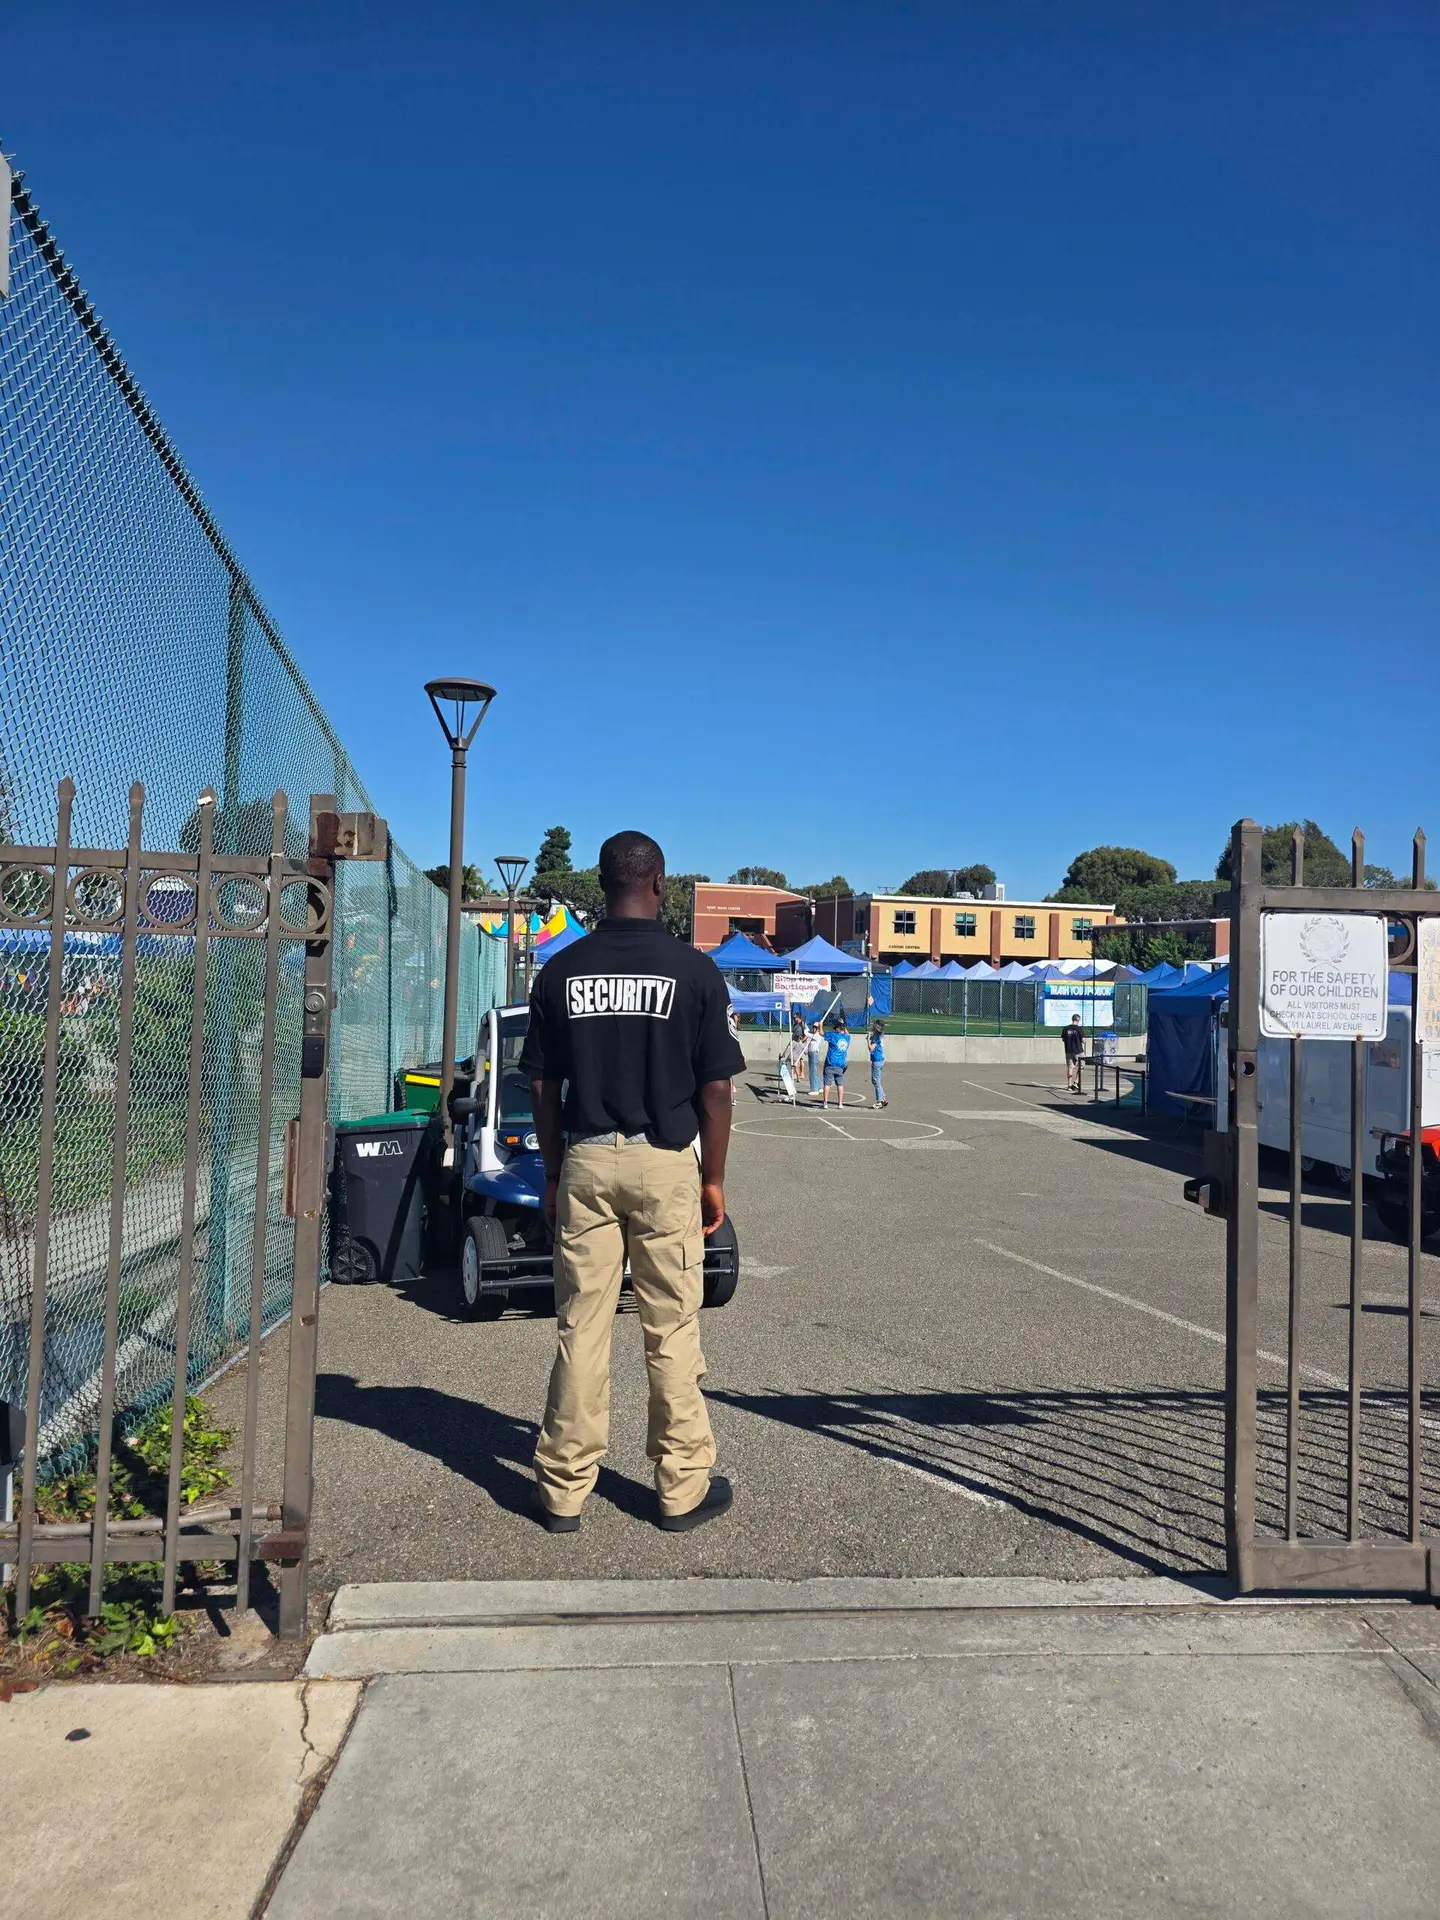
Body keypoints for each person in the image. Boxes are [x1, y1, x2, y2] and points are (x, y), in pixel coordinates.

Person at [521, 829, 744, 1534]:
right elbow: (717, 1089)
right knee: (670, 1326)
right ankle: (680, 1489)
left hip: (586, 1157)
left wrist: (552, 1171)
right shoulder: (694, 972)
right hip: (664, 1160)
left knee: (580, 1325)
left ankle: (562, 1492)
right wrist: (714, 1178)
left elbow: (541, 1085)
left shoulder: (561, 971)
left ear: (601, 884)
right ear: (660, 883)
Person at [821, 1017, 851, 1109]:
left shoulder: (833, 1036)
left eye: (836, 1028)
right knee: (840, 1084)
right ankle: (840, 1103)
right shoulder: (847, 1038)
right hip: (840, 1065)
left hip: (831, 1063)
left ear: (838, 1028)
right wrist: (843, 1025)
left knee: (827, 1084)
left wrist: (820, 1025)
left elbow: (821, 1033)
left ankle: (825, 1103)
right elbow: (848, 1034)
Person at [1062, 1012, 1086, 1094]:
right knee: (1082, 1065)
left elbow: (1063, 1039)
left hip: (1068, 1050)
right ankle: (1076, 1082)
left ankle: (1069, 1085)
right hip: (1078, 1051)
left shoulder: (1065, 1028)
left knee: (1070, 1067)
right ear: (1078, 1020)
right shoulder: (1079, 1029)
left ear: (1072, 1019)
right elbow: (1083, 1040)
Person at [869, 1021, 887, 1109]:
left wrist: (867, 1040)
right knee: (875, 1080)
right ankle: (883, 1098)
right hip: (880, 1060)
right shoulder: (879, 1035)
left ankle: (879, 1101)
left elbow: (871, 1049)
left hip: (877, 1060)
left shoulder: (876, 1037)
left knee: (876, 1081)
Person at [806, 1019, 825, 1097]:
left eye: (816, 1027)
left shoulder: (817, 1035)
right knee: (814, 1070)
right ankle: (819, 1087)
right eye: (813, 1027)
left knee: (813, 1071)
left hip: (814, 1054)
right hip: (811, 1053)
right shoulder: (813, 1035)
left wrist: (803, 1027)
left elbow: (806, 1034)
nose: (814, 1028)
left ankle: (814, 1089)